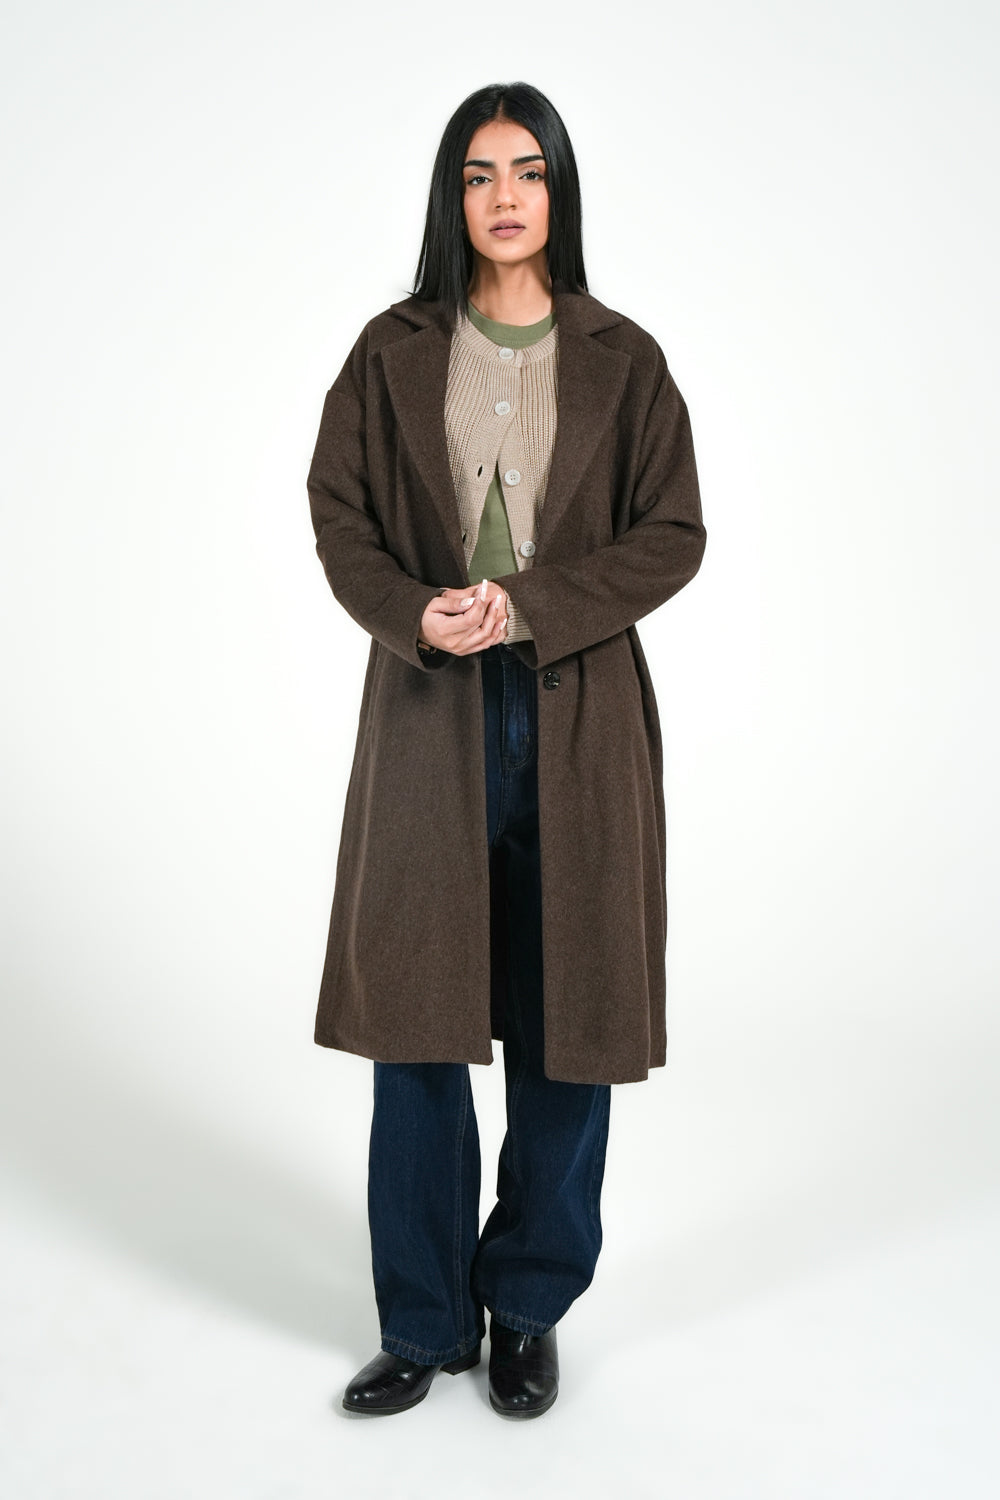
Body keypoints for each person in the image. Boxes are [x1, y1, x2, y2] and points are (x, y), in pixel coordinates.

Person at [305, 80, 706, 1419]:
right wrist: (409, 610)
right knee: (417, 1028)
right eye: (479, 175)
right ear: (453, 197)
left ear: (560, 190)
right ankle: (424, 1322)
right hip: (430, 717)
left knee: (567, 1027)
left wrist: (529, 605)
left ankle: (527, 1304)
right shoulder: (391, 350)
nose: (505, 197)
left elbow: (673, 534)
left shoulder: (625, 358)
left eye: (528, 171)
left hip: (579, 723)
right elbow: (339, 510)